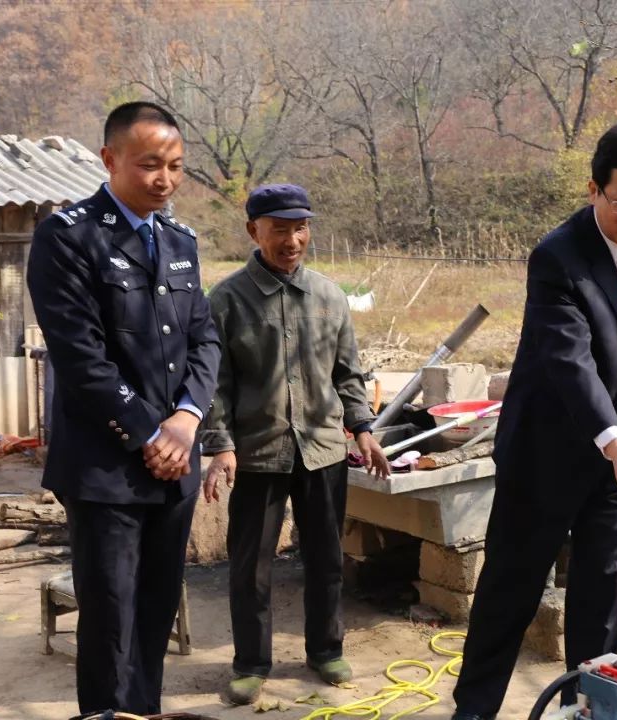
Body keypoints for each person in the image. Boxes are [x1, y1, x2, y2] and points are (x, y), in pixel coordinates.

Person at [451, 124, 617, 719]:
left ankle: (590, 706)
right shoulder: (557, 257)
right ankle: (474, 710)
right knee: (512, 588)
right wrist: (612, 438)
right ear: (593, 191)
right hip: (548, 452)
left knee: (601, 593)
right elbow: (567, 359)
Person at [26, 101, 221, 717]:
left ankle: (145, 713)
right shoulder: (69, 236)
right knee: (111, 619)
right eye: (148, 165)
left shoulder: (180, 240)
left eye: (175, 166)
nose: (163, 179)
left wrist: (187, 420)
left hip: (175, 463)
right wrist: (148, 435)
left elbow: (205, 340)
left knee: (156, 614)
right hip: (106, 467)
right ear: (110, 159)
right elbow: (80, 356)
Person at [199, 183, 392, 705]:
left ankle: (325, 650)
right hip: (257, 454)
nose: (292, 239)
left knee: (327, 558)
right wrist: (220, 446)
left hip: (323, 450)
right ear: (253, 231)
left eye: (300, 228)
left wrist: (364, 430)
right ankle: (251, 662)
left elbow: (349, 374)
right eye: (280, 229)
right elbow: (213, 384)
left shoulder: (329, 296)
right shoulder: (226, 300)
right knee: (251, 565)